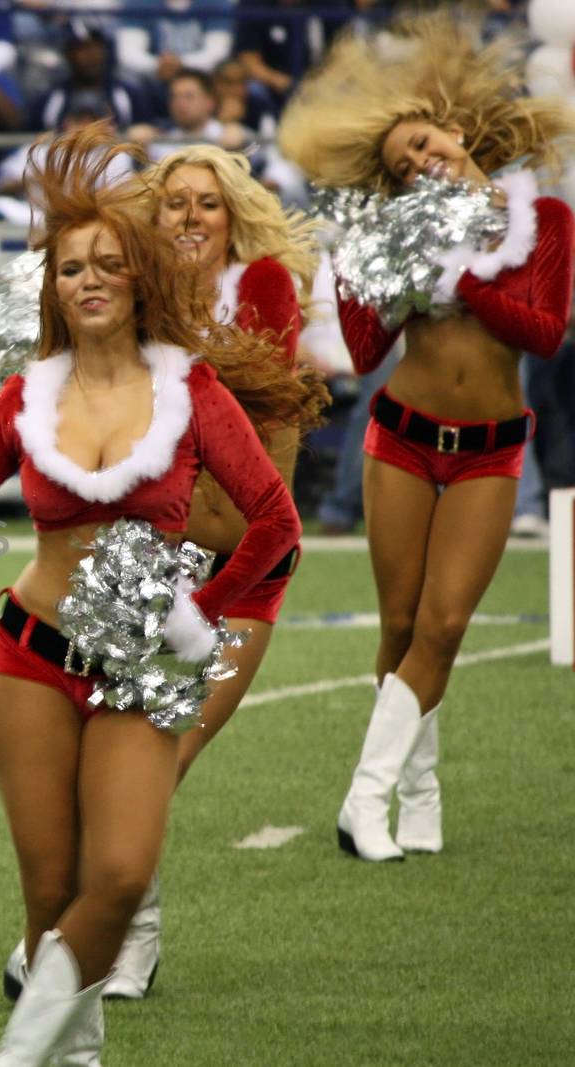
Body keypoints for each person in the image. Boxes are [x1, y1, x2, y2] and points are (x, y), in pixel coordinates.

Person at [0, 124, 302, 1065]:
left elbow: (276, 524)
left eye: (106, 264)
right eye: (68, 269)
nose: (88, 279)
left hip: (140, 668)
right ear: (51, 287)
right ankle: (74, 1052)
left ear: (139, 277)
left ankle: (20, 1053)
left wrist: (196, 614)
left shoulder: (192, 387)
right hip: (28, 659)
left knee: (122, 874)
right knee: (49, 893)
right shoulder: (26, 395)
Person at [278, 13, 574, 862]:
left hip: (490, 445)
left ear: (453, 128)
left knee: (444, 624)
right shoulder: (389, 232)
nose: (419, 164)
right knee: (401, 622)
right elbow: (367, 353)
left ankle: (361, 799)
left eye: (423, 145)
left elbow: (544, 333)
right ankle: (415, 796)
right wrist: (364, 273)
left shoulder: (541, 218)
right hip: (401, 436)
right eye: (403, 167)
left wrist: (458, 277)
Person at [79, 143, 329, 1001]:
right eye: (176, 203)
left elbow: (258, 386)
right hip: (148, 560)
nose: (190, 217)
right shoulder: (131, 302)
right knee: (108, 765)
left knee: (163, 756)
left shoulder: (259, 288)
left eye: (208, 204)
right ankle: (107, 935)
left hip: (245, 564)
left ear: (234, 219)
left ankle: (120, 939)